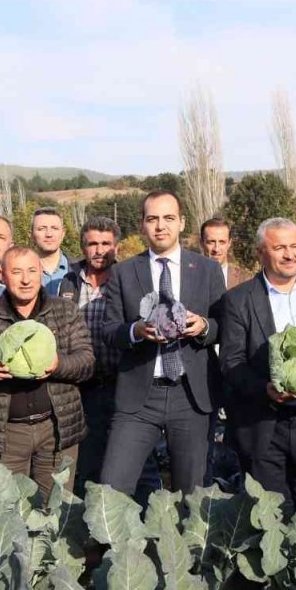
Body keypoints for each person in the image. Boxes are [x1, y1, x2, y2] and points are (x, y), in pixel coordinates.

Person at [99, 190, 224, 495]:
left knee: (191, 492)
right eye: (152, 218)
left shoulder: (207, 269)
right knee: (111, 488)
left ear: (182, 222)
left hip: (190, 395)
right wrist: (136, 330)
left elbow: (224, 326)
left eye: (168, 218)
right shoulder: (123, 272)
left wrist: (203, 326)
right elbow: (110, 331)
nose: (160, 226)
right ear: (142, 224)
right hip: (139, 398)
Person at [221, 219, 296, 504]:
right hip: (263, 424)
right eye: (279, 248)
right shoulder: (239, 299)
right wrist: (264, 388)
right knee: (270, 511)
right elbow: (231, 362)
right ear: (260, 253)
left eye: (294, 246)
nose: (289, 255)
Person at [0, 247, 92, 495]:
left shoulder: (66, 311)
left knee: (54, 505)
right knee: (3, 507)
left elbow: (87, 362)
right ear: (2, 275)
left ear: (41, 272)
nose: (26, 279)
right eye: (17, 272)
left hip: (56, 431)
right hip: (5, 434)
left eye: (32, 271)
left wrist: (59, 365)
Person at [61, 217, 161, 497]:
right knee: (90, 461)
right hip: (85, 387)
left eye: (106, 244)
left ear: (116, 247)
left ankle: (149, 515)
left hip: (124, 384)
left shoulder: (129, 279)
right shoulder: (68, 283)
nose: (99, 250)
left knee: (139, 461)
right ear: (83, 246)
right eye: (92, 244)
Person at [201, 217, 252, 289]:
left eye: (222, 242)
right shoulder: (190, 278)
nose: (216, 249)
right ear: (201, 243)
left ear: (229, 243)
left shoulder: (245, 281)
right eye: (211, 242)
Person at [31, 207, 70, 296]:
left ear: (63, 234)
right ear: (32, 235)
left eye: (54, 228)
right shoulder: (20, 272)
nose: (49, 234)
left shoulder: (79, 271)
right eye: (42, 229)